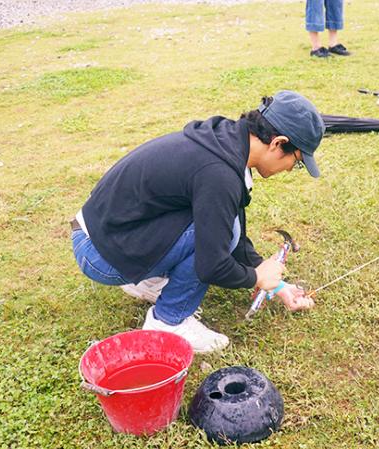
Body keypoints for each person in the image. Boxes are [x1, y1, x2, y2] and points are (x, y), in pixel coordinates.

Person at [71, 91, 323, 353]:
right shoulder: (219, 173)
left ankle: (148, 282)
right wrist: (256, 277)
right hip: (100, 256)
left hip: (104, 232)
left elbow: (227, 219)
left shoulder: (227, 141)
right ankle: (168, 322)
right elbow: (212, 264)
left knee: (222, 227)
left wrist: (275, 282)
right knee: (222, 235)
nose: (292, 169)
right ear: (277, 143)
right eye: (297, 161)